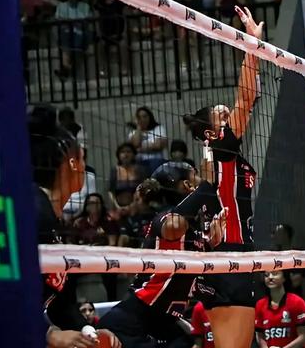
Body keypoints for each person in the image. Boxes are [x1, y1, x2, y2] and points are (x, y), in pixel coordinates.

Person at [181, 6, 262, 348]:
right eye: (220, 115)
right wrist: (251, 45)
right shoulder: (222, 150)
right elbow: (248, 95)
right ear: (210, 134)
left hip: (236, 254)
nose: (227, 112)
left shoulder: (222, 154)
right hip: (228, 252)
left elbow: (247, 99)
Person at [99, 162, 226, 348]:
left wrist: (212, 244)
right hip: (131, 321)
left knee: (186, 342)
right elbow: (174, 226)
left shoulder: (192, 230)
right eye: (196, 176)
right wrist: (207, 184)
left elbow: (190, 276)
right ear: (187, 186)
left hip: (161, 322)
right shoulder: (164, 217)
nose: (200, 179)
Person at [29, 104, 121, 348]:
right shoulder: (33, 213)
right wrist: (49, 334)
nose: (84, 165)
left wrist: (88, 330)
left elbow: (61, 301)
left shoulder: (50, 216)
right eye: (83, 157)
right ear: (72, 163)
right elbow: (3, 292)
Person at [255, 271, 305, 348]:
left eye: (275, 274)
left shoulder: (297, 302)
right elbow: (260, 337)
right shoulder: (260, 305)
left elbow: (303, 337)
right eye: (266, 275)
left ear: (284, 278)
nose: (270, 277)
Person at [127, 106, 168, 176]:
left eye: (145, 116)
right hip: (139, 161)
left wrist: (139, 148)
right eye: (139, 117)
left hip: (155, 160)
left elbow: (158, 146)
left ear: (150, 117)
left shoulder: (158, 128)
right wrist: (139, 128)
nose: (142, 119)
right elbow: (134, 145)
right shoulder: (134, 132)